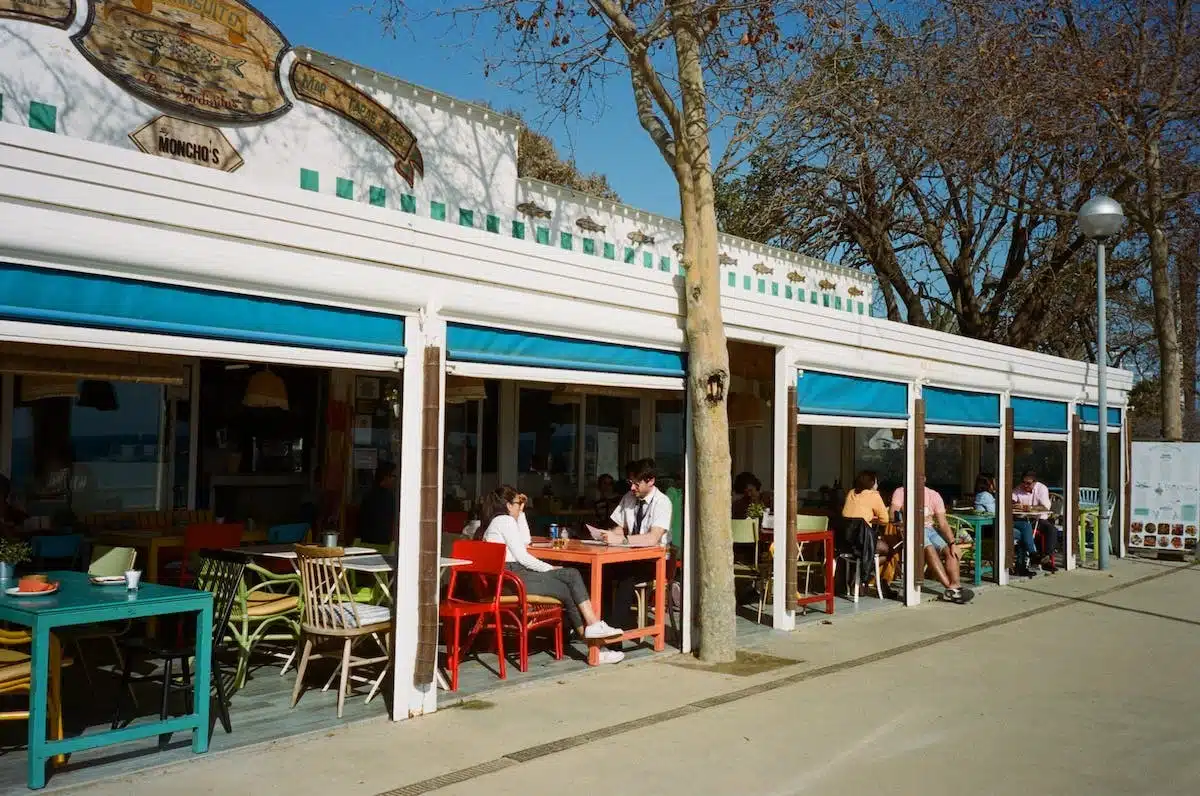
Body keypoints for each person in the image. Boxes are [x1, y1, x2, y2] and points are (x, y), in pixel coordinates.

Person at [480, 486, 625, 663]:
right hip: (512, 579)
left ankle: (596, 648)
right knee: (571, 575)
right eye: (519, 503)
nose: (520, 507)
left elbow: (525, 541)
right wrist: (549, 568)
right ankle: (594, 627)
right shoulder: (505, 520)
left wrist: (522, 512)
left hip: (507, 580)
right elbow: (523, 556)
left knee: (566, 589)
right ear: (509, 505)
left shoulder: (499, 521)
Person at [601, 459, 673, 638]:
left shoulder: (662, 502)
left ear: (650, 481)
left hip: (653, 562)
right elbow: (619, 526)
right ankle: (600, 622)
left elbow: (653, 538)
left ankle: (614, 635)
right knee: (600, 572)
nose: (632, 488)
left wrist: (621, 540)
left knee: (626, 577)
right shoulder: (629, 497)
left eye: (636, 483)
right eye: (630, 483)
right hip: (629, 557)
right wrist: (608, 536)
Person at [891, 477, 974, 603]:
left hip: (930, 529)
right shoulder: (901, 492)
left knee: (950, 550)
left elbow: (943, 523)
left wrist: (953, 543)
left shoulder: (933, 495)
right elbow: (893, 513)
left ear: (924, 479)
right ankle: (951, 590)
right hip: (912, 529)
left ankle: (956, 586)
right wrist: (907, 519)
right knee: (929, 549)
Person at [842, 470, 899, 597]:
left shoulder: (851, 493)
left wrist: (867, 518)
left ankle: (859, 577)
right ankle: (866, 579)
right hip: (863, 543)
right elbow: (884, 520)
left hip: (846, 542)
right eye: (876, 481)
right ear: (873, 483)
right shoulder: (874, 496)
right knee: (889, 551)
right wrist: (871, 519)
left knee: (872, 555)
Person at [1013, 469, 1056, 574]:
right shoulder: (1018, 489)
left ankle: (1046, 557)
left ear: (1035, 483)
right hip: (1022, 519)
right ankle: (1032, 557)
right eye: (1023, 482)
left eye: (1028, 483)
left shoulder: (1041, 489)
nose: (1025, 486)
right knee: (1024, 530)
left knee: (1051, 529)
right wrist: (1015, 505)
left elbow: (1045, 507)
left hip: (1038, 519)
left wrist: (1030, 508)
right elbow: (1010, 502)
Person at [357, 462, 397, 545]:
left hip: (367, 543)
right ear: (385, 477)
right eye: (394, 476)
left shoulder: (369, 495)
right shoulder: (386, 497)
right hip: (380, 544)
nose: (395, 480)